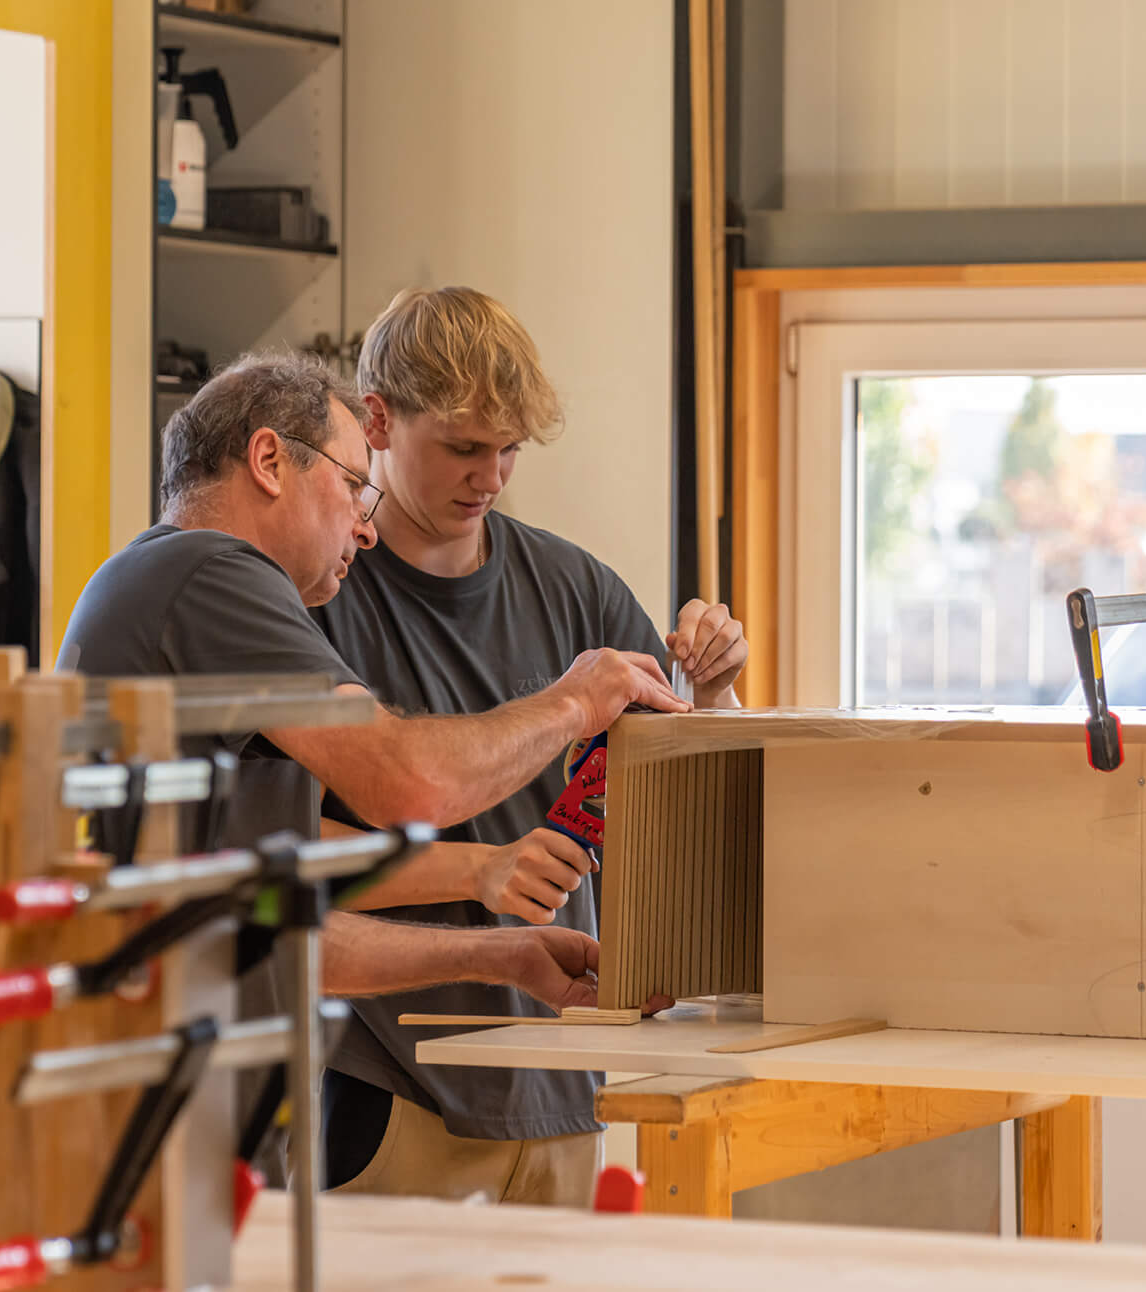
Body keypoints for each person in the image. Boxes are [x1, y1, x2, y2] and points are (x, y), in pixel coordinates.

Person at [55, 350, 689, 1008]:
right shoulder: (209, 571)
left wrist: (503, 951)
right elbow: (407, 782)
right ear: (270, 462)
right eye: (354, 485)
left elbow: (275, 918)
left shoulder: (161, 585)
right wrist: (576, 701)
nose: (365, 528)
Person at [307, 287, 750, 1207]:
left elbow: (695, 814)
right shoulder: (319, 599)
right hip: (389, 1089)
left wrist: (717, 692)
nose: (492, 476)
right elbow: (276, 861)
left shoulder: (575, 588)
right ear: (378, 420)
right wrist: (479, 863)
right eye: (464, 447)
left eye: (509, 449)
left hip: (562, 1085)